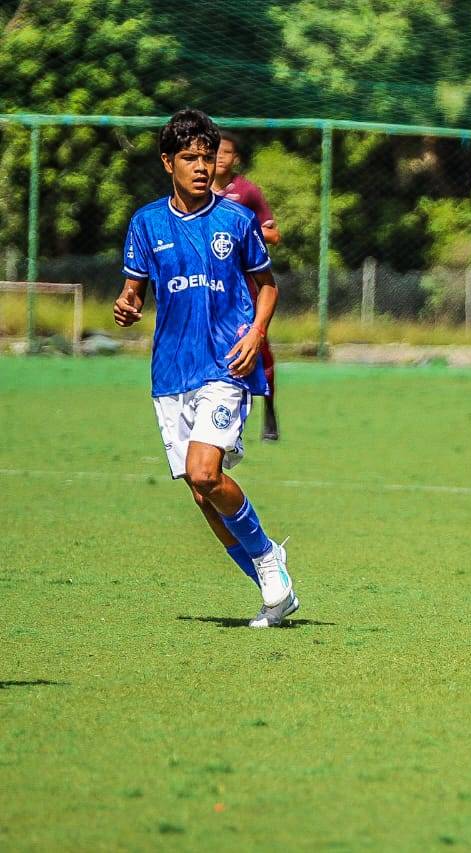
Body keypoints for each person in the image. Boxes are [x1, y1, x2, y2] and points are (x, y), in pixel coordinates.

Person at [114, 109, 298, 628]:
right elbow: (132, 293)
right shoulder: (146, 223)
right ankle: (274, 592)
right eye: (189, 157)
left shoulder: (236, 221)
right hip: (171, 373)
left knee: (204, 472)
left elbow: (268, 287)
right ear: (167, 162)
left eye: (207, 156)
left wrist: (256, 334)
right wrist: (126, 307)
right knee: (202, 493)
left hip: (225, 364)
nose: (201, 166)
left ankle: (267, 559)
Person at [213, 131, 283, 441]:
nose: (219, 158)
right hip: (209, 284)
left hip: (244, 285)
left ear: (235, 158)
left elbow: (273, 234)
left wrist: (241, 230)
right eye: (214, 151)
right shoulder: (196, 191)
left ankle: (268, 408)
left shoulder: (246, 192)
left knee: (256, 344)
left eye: (226, 152)